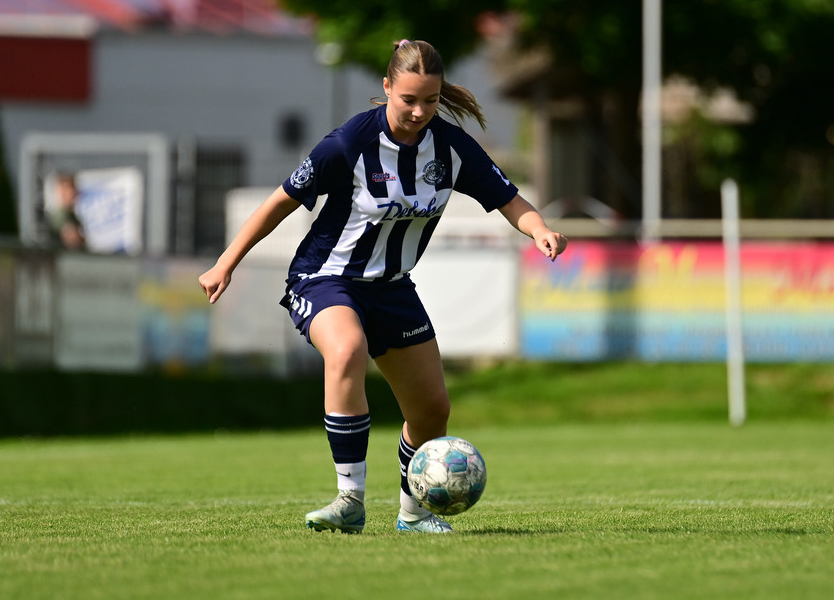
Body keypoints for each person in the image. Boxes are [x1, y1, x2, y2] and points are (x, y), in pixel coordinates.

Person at [198, 39, 567, 534]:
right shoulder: (348, 145)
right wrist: (227, 262)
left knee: (433, 409)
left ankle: (413, 516)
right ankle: (349, 498)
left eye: (431, 101)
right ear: (387, 87)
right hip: (326, 278)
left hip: (392, 288)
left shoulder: (453, 149)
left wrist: (540, 229)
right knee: (347, 348)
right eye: (408, 99)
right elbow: (279, 202)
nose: (419, 112)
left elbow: (509, 199)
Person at [45, 173, 86, 250]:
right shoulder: (56, 217)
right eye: (65, 191)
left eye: (72, 187)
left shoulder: (79, 210)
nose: (70, 193)